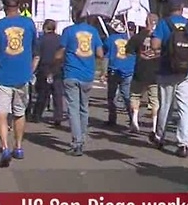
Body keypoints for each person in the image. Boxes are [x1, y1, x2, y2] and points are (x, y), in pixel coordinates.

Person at [0, 0, 39, 167]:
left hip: (2, 75)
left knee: (1, 112)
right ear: (19, 5)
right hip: (23, 75)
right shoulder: (29, 24)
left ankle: (5, 147)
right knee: (20, 112)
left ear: (3, 6)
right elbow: (34, 49)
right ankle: (19, 146)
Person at [149, 0, 188, 158]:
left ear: (168, 8)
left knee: (165, 105)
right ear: (181, 8)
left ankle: (160, 137)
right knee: (184, 107)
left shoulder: (163, 23)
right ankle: (183, 143)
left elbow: (155, 45)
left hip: (167, 70)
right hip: (187, 71)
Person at [56, 13, 103, 157]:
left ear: (73, 17)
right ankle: (81, 138)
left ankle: (77, 142)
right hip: (87, 74)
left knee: (73, 109)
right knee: (84, 108)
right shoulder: (94, 31)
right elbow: (100, 53)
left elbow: (60, 53)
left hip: (71, 73)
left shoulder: (68, 31)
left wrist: (57, 59)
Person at [126, 13, 160, 133]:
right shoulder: (161, 36)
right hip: (156, 73)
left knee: (135, 96)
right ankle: (155, 127)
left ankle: (134, 121)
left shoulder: (137, 36)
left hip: (140, 71)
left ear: (146, 22)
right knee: (155, 100)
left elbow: (128, 51)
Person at [104, 19, 136, 127]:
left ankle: (112, 119)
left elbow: (105, 55)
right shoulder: (131, 38)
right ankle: (132, 118)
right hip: (129, 69)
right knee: (127, 95)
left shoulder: (110, 39)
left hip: (114, 69)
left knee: (112, 96)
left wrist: (103, 72)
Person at [31, 19, 64, 125]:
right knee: (57, 93)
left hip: (44, 68)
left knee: (42, 94)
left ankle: (37, 115)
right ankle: (58, 116)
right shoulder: (60, 39)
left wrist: (32, 70)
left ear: (44, 28)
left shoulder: (40, 40)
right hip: (58, 68)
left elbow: (37, 57)